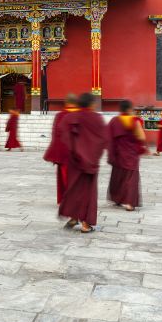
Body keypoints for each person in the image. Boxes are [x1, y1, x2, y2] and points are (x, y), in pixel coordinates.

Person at [58, 93, 109, 232]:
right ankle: (85, 224)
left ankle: (74, 217)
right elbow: (104, 139)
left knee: (74, 189)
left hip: (74, 161)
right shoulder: (97, 118)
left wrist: (74, 152)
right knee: (88, 192)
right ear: (92, 104)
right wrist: (94, 155)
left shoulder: (69, 118)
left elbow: (63, 135)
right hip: (91, 161)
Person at [107, 100, 145, 211]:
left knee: (118, 176)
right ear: (129, 109)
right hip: (131, 154)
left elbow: (108, 138)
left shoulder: (114, 121)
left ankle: (117, 199)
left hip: (118, 153)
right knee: (131, 178)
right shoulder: (134, 121)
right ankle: (130, 203)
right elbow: (142, 137)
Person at [43, 94, 78, 204]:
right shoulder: (81, 115)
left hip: (63, 153)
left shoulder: (60, 115)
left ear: (66, 103)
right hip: (79, 153)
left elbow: (56, 135)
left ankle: (66, 199)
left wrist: (55, 154)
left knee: (64, 177)